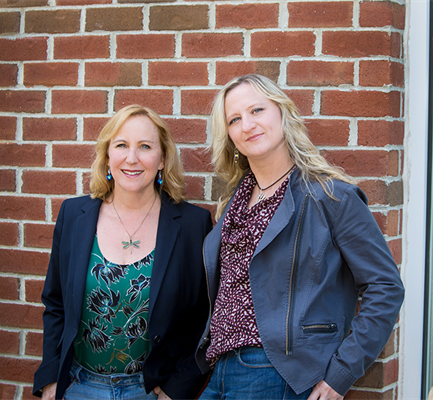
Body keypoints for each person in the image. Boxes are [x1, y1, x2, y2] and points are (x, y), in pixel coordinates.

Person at [195, 75, 405, 400]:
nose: (247, 125)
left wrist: (341, 373)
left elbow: (386, 287)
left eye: (257, 110)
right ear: (230, 137)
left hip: (278, 372)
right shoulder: (235, 203)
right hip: (219, 370)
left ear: (282, 113)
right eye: (234, 120)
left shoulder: (330, 197)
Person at [33, 105, 212, 400]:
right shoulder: (74, 215)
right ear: (107, 156)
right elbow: (55, 303)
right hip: (79, 386)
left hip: (151, 391)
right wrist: (51, 379)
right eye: (121, 145)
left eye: (145, 146)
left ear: (162, 159)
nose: (131, 158)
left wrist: (177, 389)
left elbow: (204, 319)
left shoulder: (193, 225)